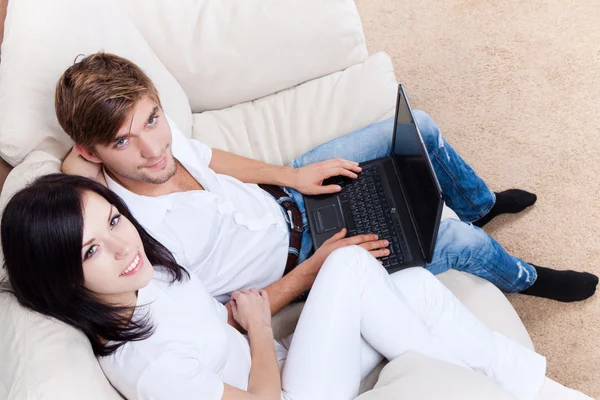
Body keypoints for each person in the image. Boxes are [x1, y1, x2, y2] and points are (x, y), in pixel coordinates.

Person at [57, 52, 597, 317]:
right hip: (310, 262)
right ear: (90, 151)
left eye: (152, 119)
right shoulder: (135, 241)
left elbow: (211, 157)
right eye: (123, 142)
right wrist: (317, 270)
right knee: (457, 245)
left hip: (291, 197)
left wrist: (293, 176)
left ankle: (477, 203)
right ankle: (523, 278)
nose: (155, 151)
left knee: (419, 127)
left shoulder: (161, 141)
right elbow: (227, 318)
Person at [0, 174, 592, 400]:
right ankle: (485, 384)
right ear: (60, 277)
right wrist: (259, 327)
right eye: (90, 250)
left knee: (411, 283)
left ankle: (534, 388)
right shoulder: (144, 365)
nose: (124, 245)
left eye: (113, 220)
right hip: (283, 395)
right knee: (349, 268)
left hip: (288, 366)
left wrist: (255, 323)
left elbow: (220, 324)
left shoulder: (142, 276)